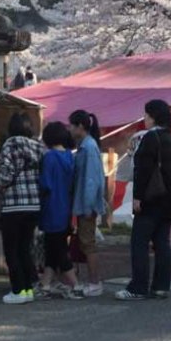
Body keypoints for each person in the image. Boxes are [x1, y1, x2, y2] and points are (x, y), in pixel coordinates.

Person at [115, 100, 171, 301]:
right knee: (162, 243)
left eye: (146, 115)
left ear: (153, 117)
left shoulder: (150, 138)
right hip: (170, 198)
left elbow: (142, 170)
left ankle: (138, 286)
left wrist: (137, 197)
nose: (144, 119)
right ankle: (161, 285)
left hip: (151, 198)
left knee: (140, 242)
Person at [0, 113, 45, 304]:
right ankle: (28, 289)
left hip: (13, 205)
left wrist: (0, 184)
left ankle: (18, 290)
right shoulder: (37, 146)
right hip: (33, 204)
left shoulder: (10, 144)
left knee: (11, 250)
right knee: (25, 248)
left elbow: (6, 176)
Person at [34, 122, 82, 301]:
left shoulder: (49, 157)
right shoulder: (70, 156)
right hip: (66, 207)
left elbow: (45, 184)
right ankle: (45, 284)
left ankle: (75, 285)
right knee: (54, 247)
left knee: (57, 248)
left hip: (51, 207)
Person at [69, 109, 107, 297]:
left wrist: (88, 206)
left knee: (88, 243)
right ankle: (93, 281)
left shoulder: (88, 147)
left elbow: (91, 180)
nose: (69, 129)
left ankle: (95, 282)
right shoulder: (88, 145)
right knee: (86, 243)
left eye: (72, 125)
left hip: (87, 205)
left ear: (80, 127)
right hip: (85, 204)